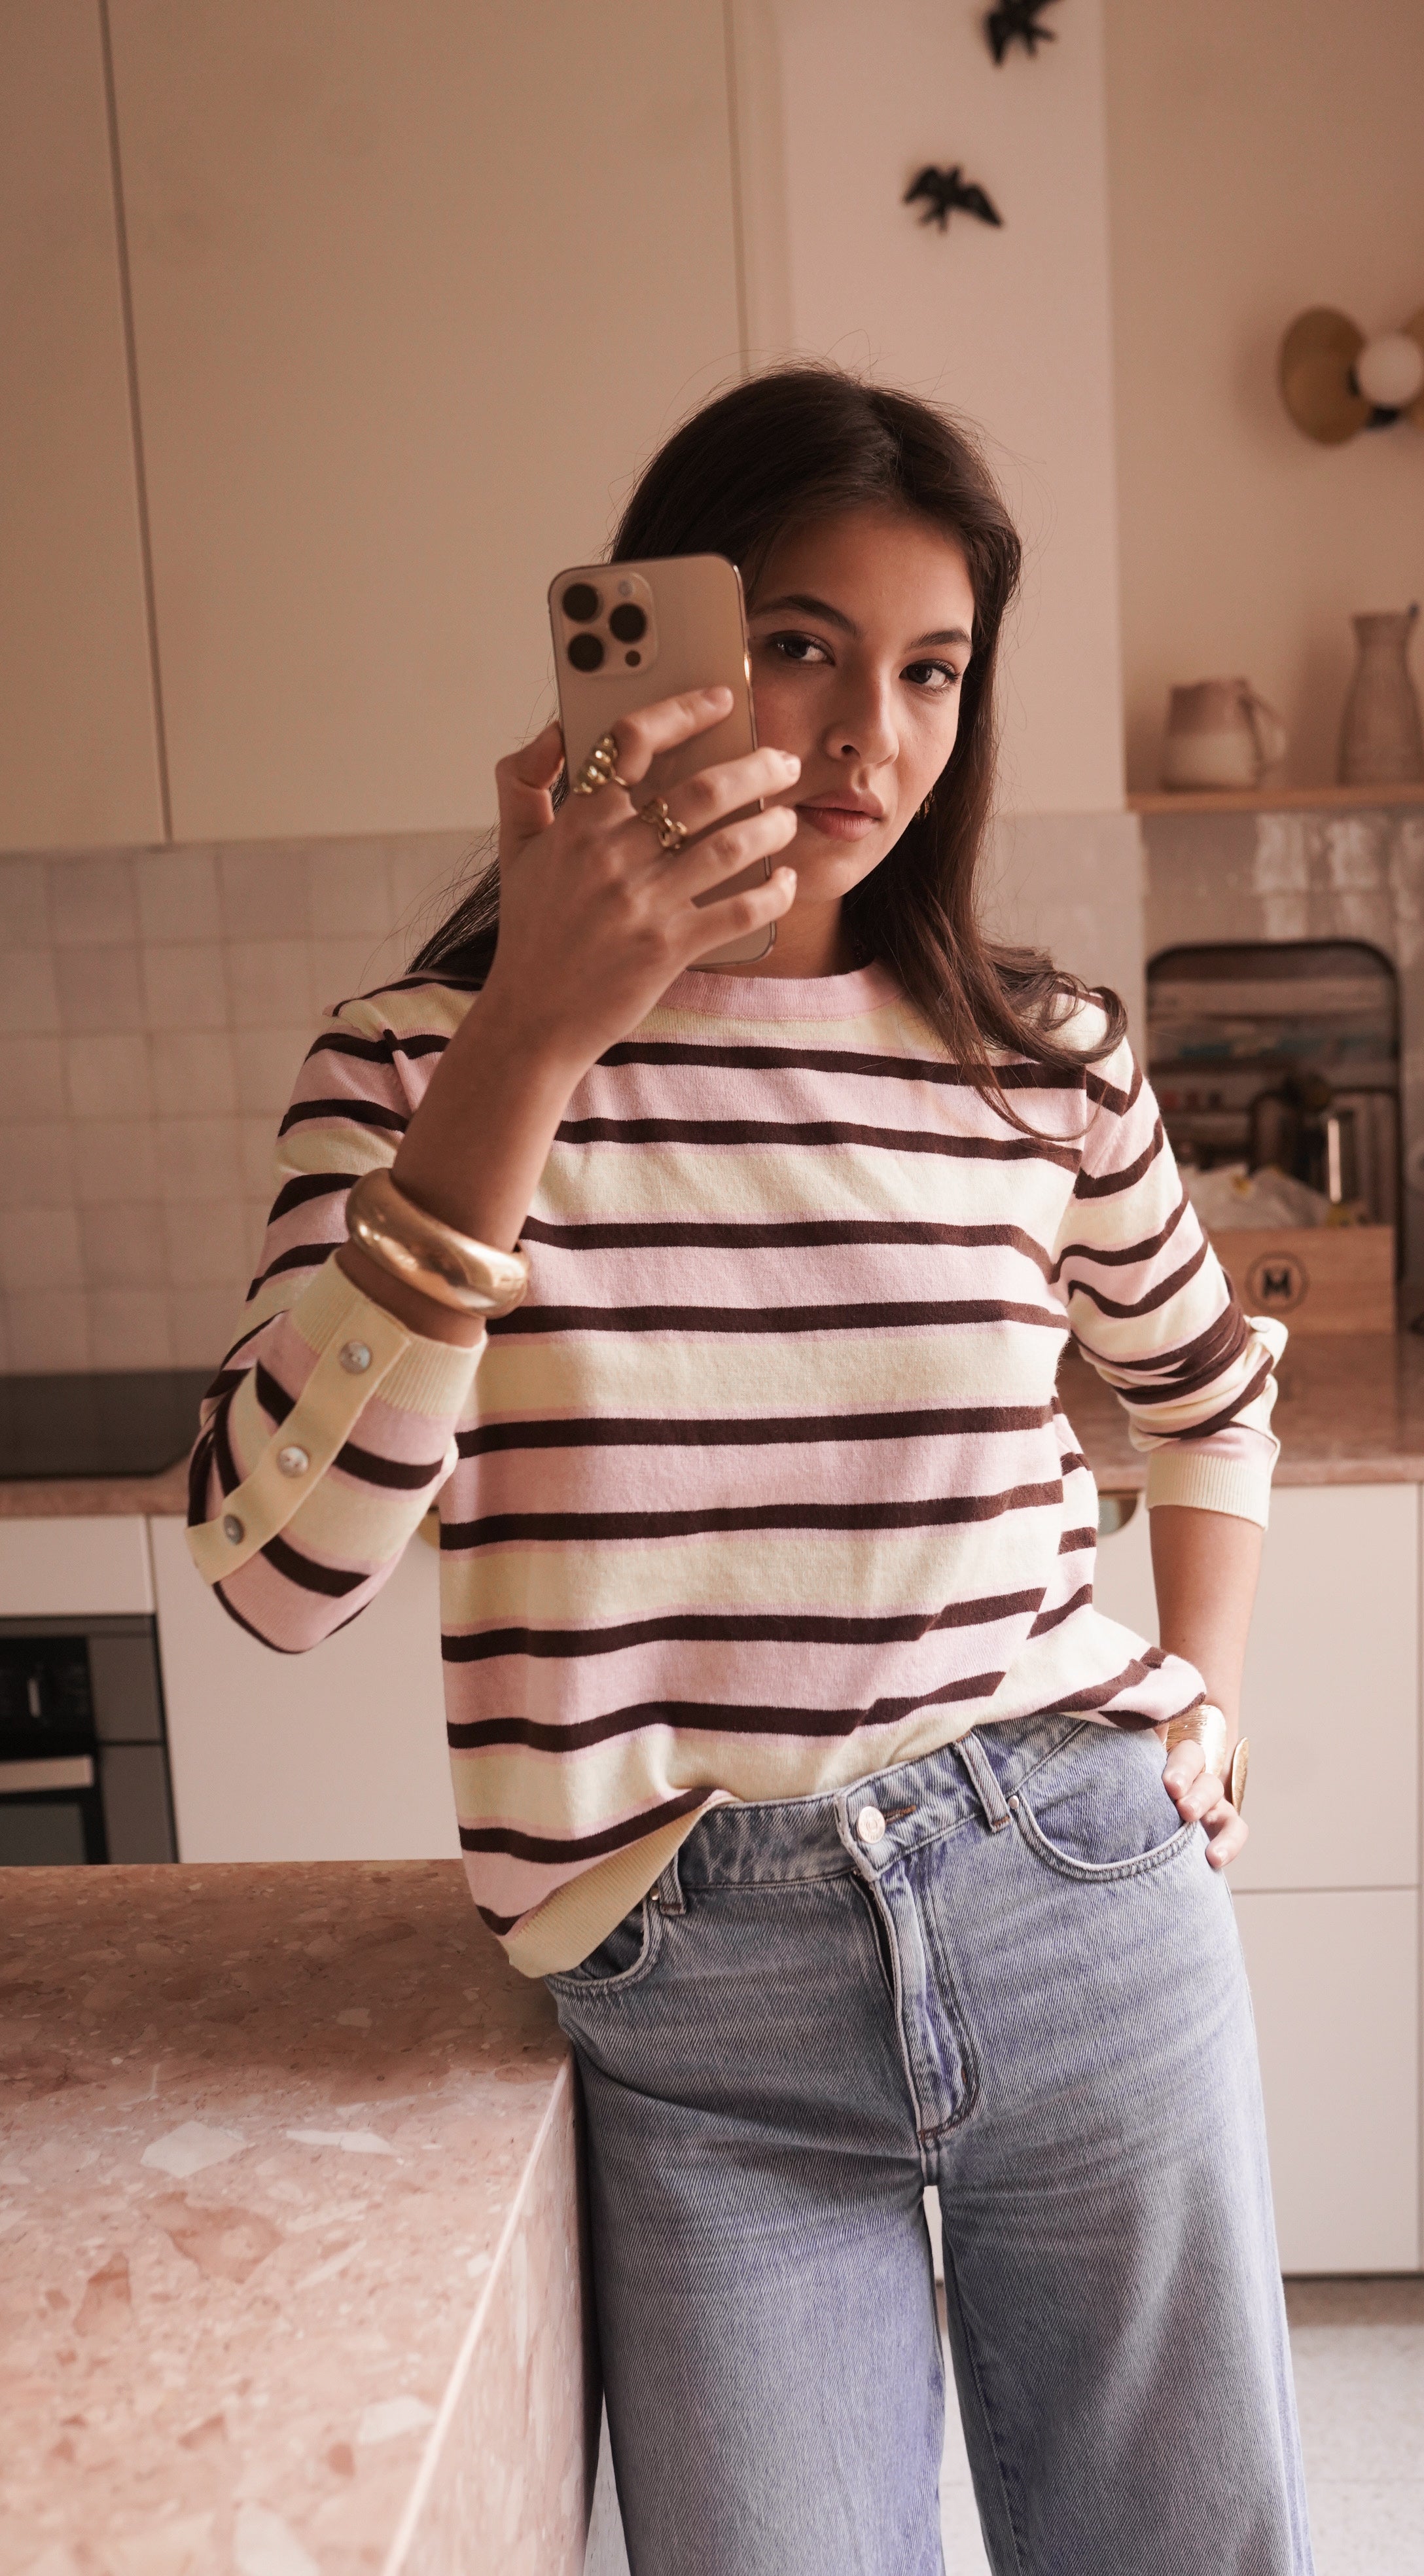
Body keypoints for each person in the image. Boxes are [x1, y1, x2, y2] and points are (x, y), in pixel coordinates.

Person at [188, 367, 1311, 2576]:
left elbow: (1207, 1389)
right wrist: (532, 1033)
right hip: (691, 2004)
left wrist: (1208, 1686)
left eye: (933, 672)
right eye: (802, 646)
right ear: (669, 648)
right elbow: (278, 1572)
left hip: (1076, 1899)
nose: (870, 738)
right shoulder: (417, 1068)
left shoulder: (1043, 1063)